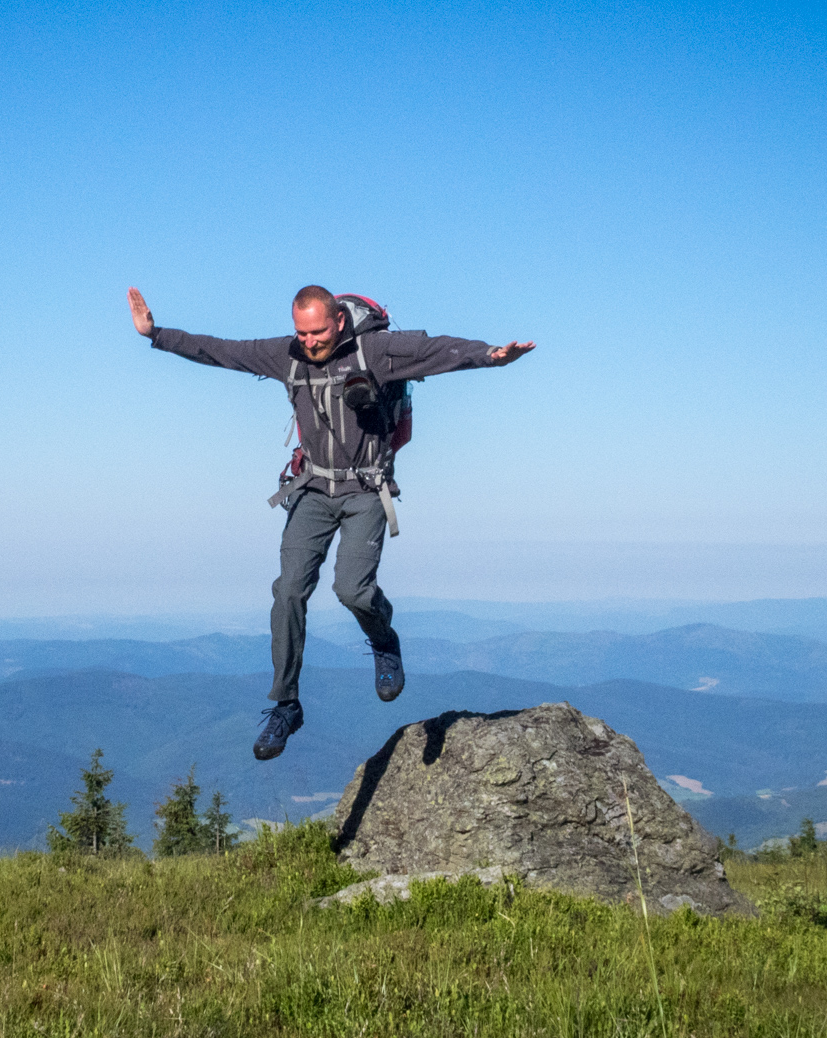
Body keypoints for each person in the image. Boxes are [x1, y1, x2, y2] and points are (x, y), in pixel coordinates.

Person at [127, 284, 533, 759]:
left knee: (353, 590)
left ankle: (384, 641)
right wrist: (156, 334)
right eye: (301, 332)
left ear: (338, 320)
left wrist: (491, 355)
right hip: (314, 490)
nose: (309, 341)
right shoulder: (288, 355)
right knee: (289, 591)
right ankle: (286, 704)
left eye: (317, 331)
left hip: (365, 490)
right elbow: (223, 352)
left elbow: (435, 350)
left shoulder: (375, 351)